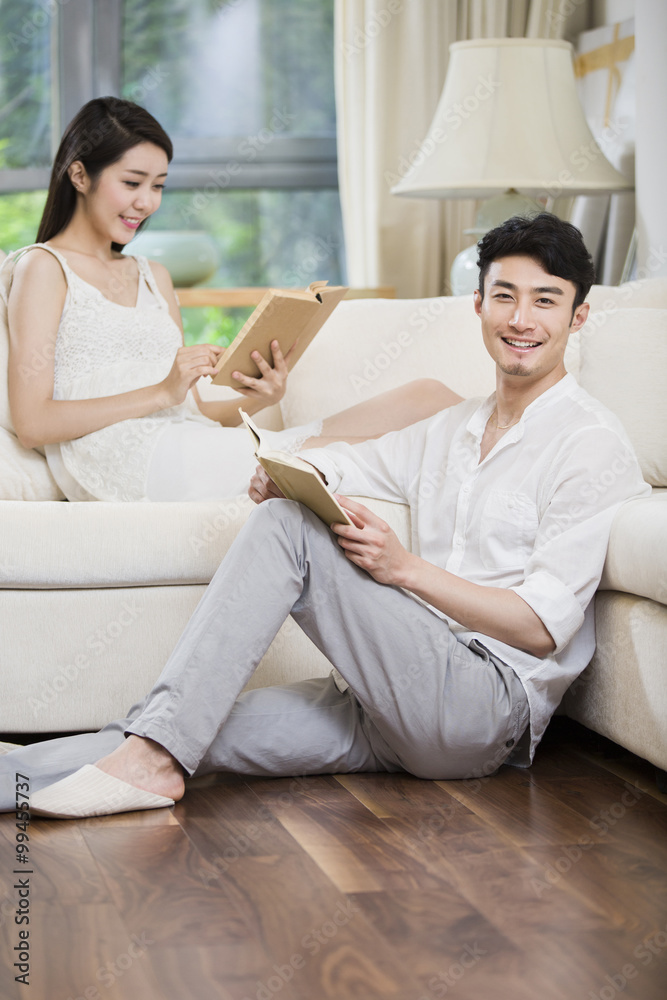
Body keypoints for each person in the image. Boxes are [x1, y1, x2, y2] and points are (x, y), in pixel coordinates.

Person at [0, 213, 650, 818]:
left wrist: (403, 570)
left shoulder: (588, 444)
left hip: (481, 710)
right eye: (504, 295)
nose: (520, 318)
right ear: (476, 305)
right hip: (384, 700)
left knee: (287, 533)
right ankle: (43, 773)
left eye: (545, 300)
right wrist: (281, 470)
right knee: (175, 724)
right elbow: (344, 463)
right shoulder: (450, 428)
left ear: (578, 316)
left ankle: (149, 760)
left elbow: (541, 628)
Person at [3, 96, 456, 502]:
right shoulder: (44, 268)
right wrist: (161, 391)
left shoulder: (153, 276)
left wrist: (261, 396)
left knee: (428, 398)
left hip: (186, 443)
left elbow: (192, 411)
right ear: (79, 175)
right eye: (132, 182)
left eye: (158, 186)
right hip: (124, 465)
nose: (146, 202)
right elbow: (33, 423)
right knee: (387, 445)